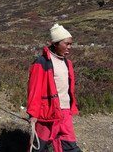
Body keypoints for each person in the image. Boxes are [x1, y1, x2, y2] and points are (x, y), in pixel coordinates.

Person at [27, 23, 81, 152]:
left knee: (69, 146)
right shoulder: (41, 62)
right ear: (55, 43)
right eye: (66, 44)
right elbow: (34, 90)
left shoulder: (68, 63)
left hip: (65, 112)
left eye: (70, 44)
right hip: (47, 112)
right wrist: (33, 114)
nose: (70, 47)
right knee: (39, 147)